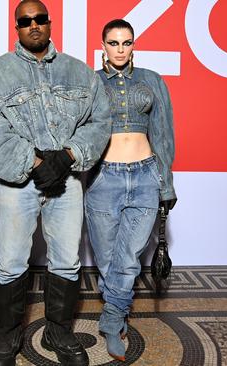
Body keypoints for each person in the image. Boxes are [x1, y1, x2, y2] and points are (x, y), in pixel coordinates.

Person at [0, 1, 112, 365]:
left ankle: (58, 332)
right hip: (18, 186)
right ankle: (8, 336)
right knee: (11, 261)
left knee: (66, 260)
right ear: (16, 28)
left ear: (50, 23)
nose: (34, 25)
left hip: (67, 181)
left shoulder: (81, 74)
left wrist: (67, 157)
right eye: (25, 21)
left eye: (40, 19)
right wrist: (35, 162)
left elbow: (99, 123)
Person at [84, 19, 177, 362]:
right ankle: (118, 309)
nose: (120, 49)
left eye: (126, 43)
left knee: (127, 259)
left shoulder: (151, 80)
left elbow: (163, 134)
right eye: (113, 43)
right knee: (108, 259)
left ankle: (110, 321)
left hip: (144, 177)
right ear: (103, 46)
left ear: (133, 45)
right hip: (103, 179)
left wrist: (165, 183)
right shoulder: (91, 82)